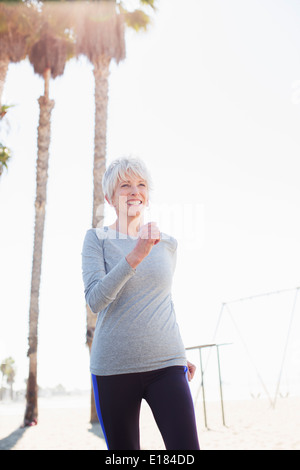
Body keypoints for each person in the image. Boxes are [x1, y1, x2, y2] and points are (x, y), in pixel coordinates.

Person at [81, 157, 200, 450]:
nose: (135, 191)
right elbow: (96, 300)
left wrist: (177, 353)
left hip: (166, 363)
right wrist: (136, 254)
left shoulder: (168, 243)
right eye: (125, 185)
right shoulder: (96, 239)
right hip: (113, 368)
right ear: (109, 198)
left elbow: (159, 301)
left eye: (141, 184)